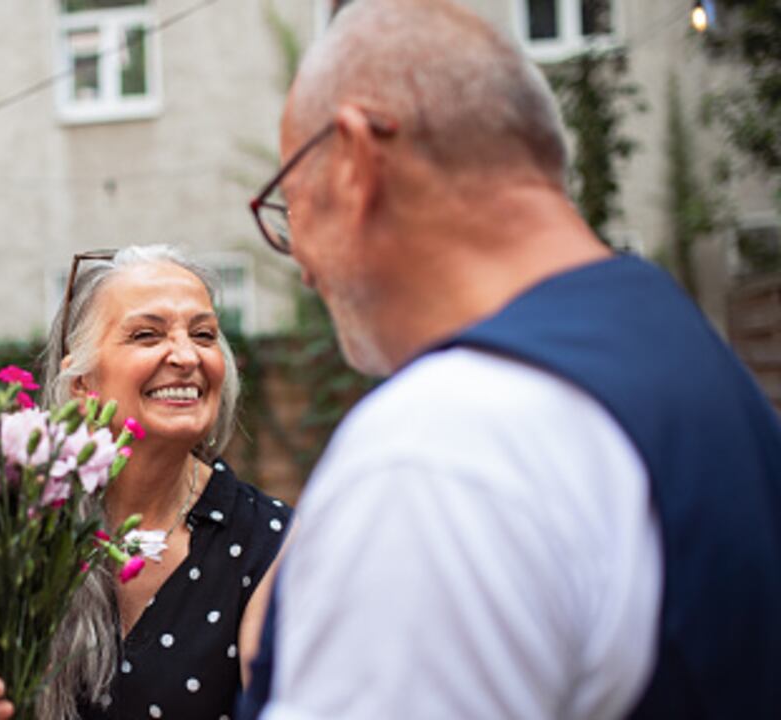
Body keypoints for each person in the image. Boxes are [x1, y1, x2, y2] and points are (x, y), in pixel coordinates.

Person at [238, 0, 781, 718]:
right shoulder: (685, 348)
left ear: (356, 162)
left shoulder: (441, 450)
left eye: (290, 206)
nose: (302, 265)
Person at [0, 245, 290, 720]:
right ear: (82, 384)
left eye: (204, 334)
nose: (186, 354)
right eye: (147, 334)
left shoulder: (270, 546)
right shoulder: (17, 530)